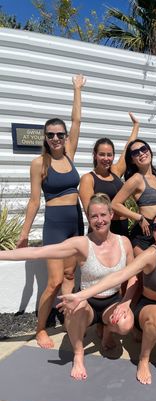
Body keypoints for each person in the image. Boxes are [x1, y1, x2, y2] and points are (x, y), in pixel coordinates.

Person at [0, 194, 136, 380]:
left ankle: (107, 332)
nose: (99, 220)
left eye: (103, 215)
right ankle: (78, 355)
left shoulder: (124, 243)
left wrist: (125, 303)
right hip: (87, 303)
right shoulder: (82, 244)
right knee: (73, 307)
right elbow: (38, 252)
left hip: (112, 302)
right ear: (88, 218)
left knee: (126, 324)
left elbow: (133, 277)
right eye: (94, 216)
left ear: (111, 215)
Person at [58, 212, 156, 385]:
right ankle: (143, 359)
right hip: (148, 307)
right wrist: (81, 294)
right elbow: (121, 276)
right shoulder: (150, 254)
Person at [15, 74, 86, 349]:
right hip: (55, 225)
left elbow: (77, 121)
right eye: (51, 135)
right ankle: (41, 327)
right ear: (45, 137)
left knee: (70, 277)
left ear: (65, 136)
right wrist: (23, 235)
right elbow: (34, 201)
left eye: (60, 134)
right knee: (54, 280)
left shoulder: (69, 153)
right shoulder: (38, 163)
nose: (56, 138)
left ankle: (69, 322)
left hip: (75, 221)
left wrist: (77, 90)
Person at [79, 113, 140, 237]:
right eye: (102, 154)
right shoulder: (88, 179)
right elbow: (89, 212)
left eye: (109, 155)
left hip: (122, 227)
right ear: (95, 155)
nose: (106, 158)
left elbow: (128, 149)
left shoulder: (116, 171)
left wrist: (136, 126)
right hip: (101, 229)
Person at [111, 139, 156, 255]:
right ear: (132, 160)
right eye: (136, 153)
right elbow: (114, 204)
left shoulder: (155, 175)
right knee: (144, 271)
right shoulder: (136, 179)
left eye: (143, 149)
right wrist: (139, 217)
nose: (141, 153)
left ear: (149, 151)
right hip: (144, 233)